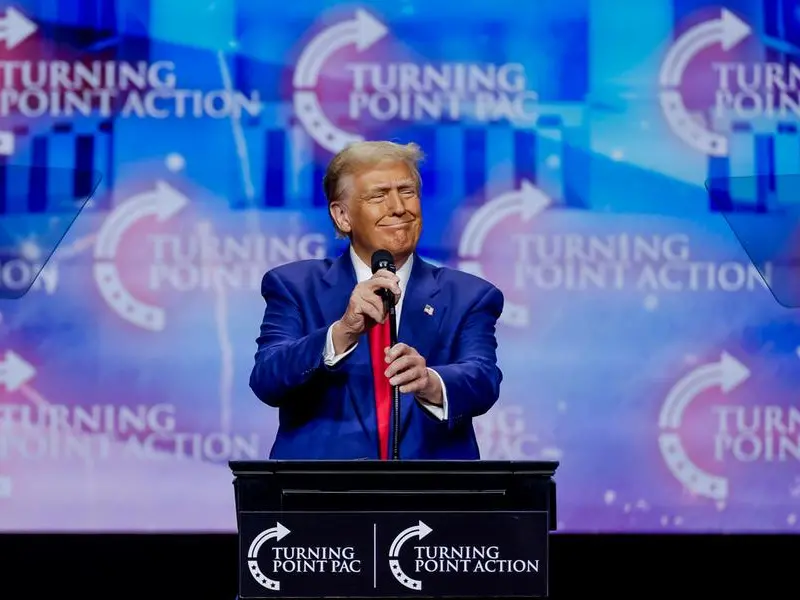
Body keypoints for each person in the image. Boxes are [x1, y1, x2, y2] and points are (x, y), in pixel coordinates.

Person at [249, 140, 504, 459]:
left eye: (407, 191)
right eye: (378, 195)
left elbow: (483, 379)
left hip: (431, 488)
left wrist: (429, 381)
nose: (399, 207)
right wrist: (342, 332)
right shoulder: (294, 286)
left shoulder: (469, 295)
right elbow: (267, 379)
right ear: (342, 216)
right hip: (321, 487)